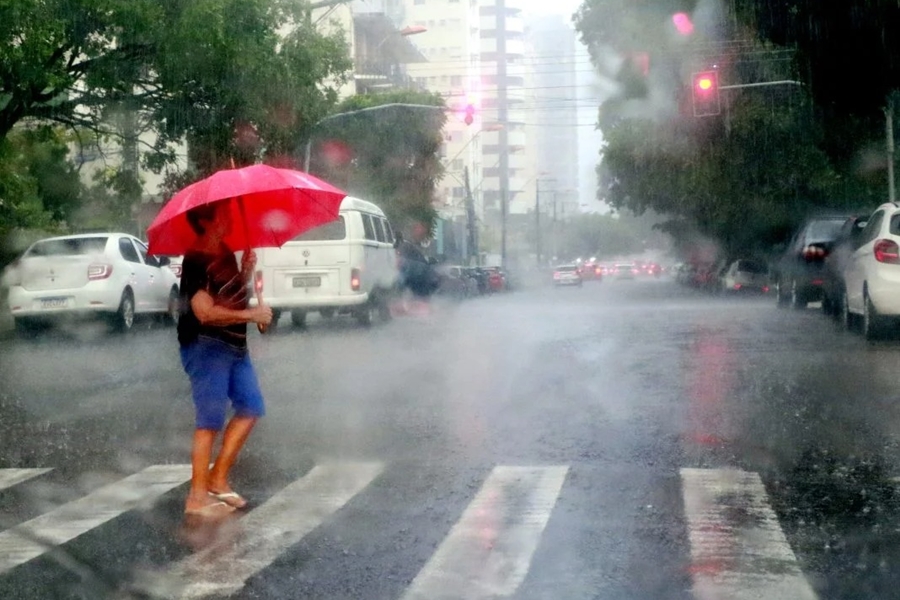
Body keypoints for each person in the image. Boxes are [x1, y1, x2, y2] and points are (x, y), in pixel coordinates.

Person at [177, 200, 273, 517]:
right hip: (207, 348)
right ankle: (196, 497)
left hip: (234, 347)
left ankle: (218, 479)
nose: (229, 219)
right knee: (210, 421)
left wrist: (244, 273)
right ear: (205, 221)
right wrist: (252, 313)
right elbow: (204, 312)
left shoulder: (225, 252)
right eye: (222, 215)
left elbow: (229, 296)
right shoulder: (196, 259)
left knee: (251, 407)